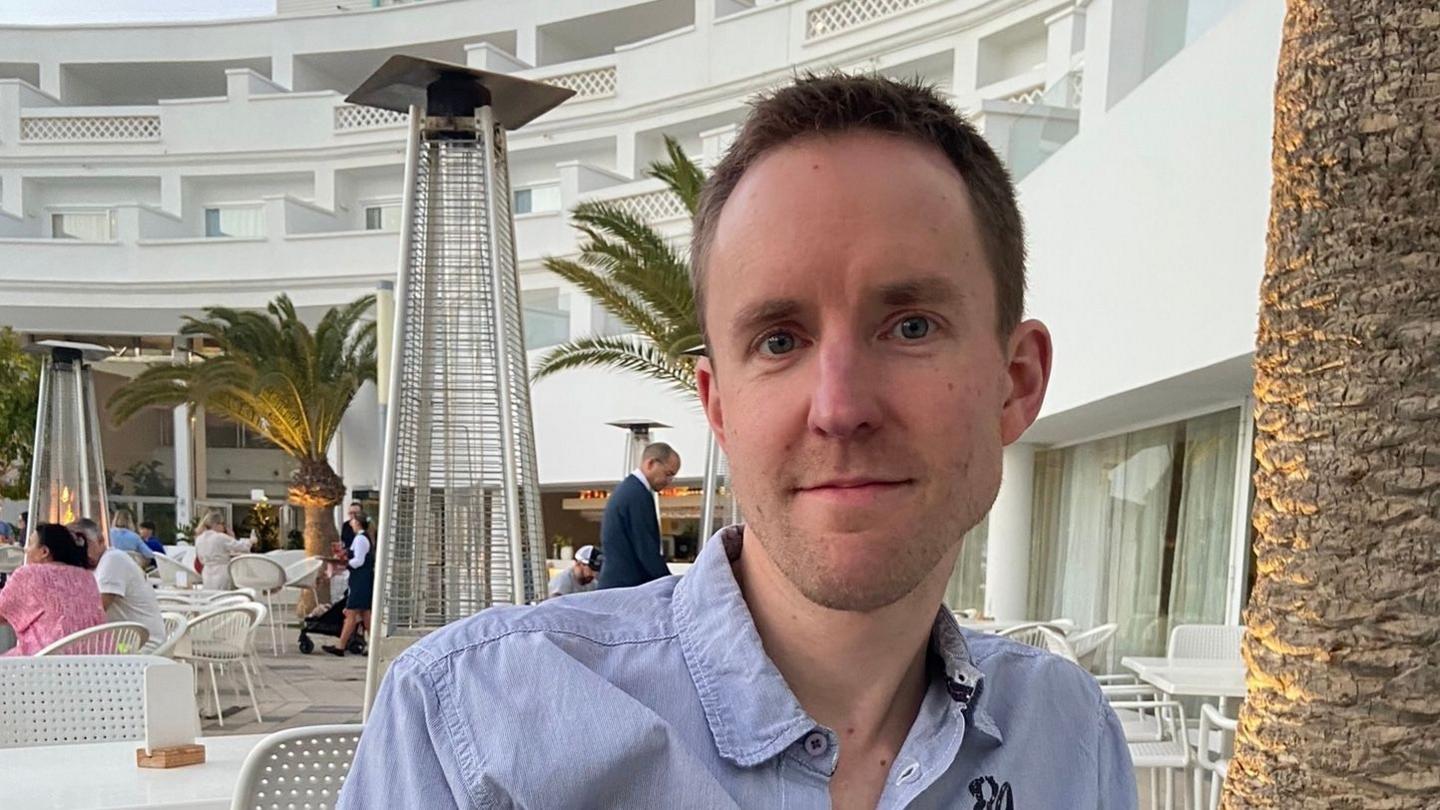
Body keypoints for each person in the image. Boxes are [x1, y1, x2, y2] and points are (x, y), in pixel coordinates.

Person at [339, 75, 1134, 809]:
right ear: (718, 407)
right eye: (780, 341)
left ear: (1016, 382)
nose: (840, 408)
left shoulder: (1067, 737)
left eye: (911, 326)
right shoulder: (469, 728)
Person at [0, 524, 105, 656]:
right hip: (91, 664)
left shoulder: (31, 574)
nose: (26, 549)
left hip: (46, 664)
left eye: (31, 544)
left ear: (44, 552)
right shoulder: (87, 577)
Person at [71, 518, 165, 649]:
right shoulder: (95, 566)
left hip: (140, 647)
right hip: (127, 643)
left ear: (101, 541)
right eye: (74, 547)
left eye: (84, 544)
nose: (80, 550)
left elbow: (93, 613)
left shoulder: (112, 560)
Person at [597, 442, 680, 589]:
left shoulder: (628, 490)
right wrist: (671, 585)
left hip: (616, 584)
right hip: (625, 588)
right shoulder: (637, 495)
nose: (669, 482)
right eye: (668, 474)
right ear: (651, 463)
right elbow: (646, 548)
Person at [324, 516, 373, 657]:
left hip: (360, 580)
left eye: (353, 519)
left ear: (357, 523)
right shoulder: (362, 538)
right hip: (362, 579)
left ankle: (341, 646)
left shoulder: (360, 539)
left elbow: (359, 560)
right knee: (366, 614)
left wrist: (344, 563)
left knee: (351, 613)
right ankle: (374, 645)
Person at [193, 509, 253, 590]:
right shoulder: (220, 537)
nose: (224, 527)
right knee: (223, 596)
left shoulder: (199, 539)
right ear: (215, 524)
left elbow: (200, 559)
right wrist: (251, 541)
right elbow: (242, 547)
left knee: (209, 595)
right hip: (221, 571)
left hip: (206, 572)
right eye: (222, 524)